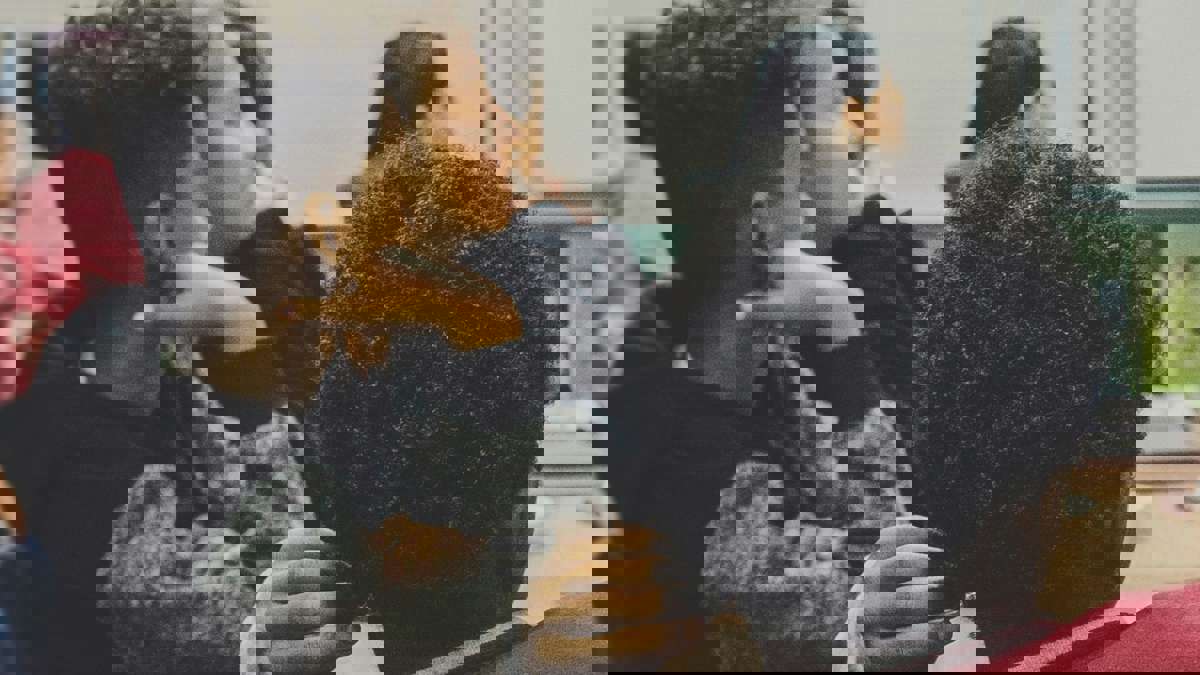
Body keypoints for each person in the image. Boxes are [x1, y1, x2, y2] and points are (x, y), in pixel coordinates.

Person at [601, 1, 946, 671]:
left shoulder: (746, 356)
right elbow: (883, 580)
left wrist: (838, 330)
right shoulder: (689, 440)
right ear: (769, 207)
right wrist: (847, 352)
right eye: (830, 117)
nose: (851, 140)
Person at [7, 2, 290, 671]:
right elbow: (258, 615)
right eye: (236, 112)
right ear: (175, 170)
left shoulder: (157, 347)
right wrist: (250, 365)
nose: (258, 141)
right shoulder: (95, 419)